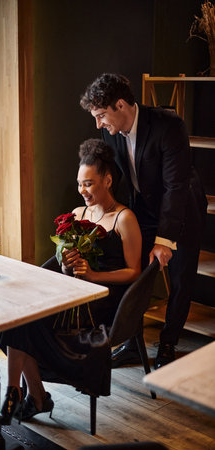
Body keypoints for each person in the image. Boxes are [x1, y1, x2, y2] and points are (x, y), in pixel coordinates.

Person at [0, 138, 142, 425]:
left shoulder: (125, 219)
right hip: (73, 294)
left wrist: (94, 276)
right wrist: (66, 262)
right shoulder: (77, 215)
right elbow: (63, 265)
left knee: (26, 322)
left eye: (88, 183)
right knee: (19, 315)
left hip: (106, 302)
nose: (82, 190)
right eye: (79, 184)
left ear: (108, 180)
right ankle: (21, 390)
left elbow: (134, 272)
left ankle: (32, 396)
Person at [80, 73, 207, 369]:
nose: (98, 124)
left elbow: (175, 186)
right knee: (131, 269)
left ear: (120, 105)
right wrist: (99, 208)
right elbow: (113, 176)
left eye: (101, 116)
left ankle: (167, 344)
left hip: (183, 209)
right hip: (145, 207)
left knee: (180, 278)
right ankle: (132, 344)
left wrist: (164, 240)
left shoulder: (168, 126)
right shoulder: (110, 131)